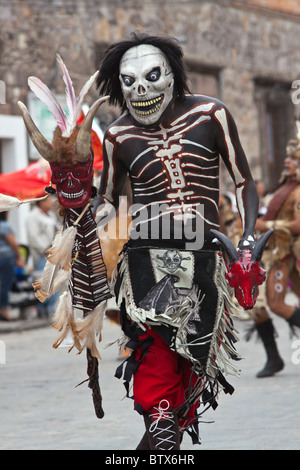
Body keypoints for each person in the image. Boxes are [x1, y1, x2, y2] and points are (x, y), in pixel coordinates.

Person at [94, 33, 260, 450]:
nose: (141, 90)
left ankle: (161, 435)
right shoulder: (117, 136)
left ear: (171, 75)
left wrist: (247, 239)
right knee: (156, 355)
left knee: (191, 367)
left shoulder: (211, 114)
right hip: (145, 259)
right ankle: (161, 420)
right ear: (118, 85)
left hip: (206, 255)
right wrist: (82, 206)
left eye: (151, 77)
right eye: (129, 82)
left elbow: (243, 181)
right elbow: (106, 200)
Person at [252, 138, 300, 378]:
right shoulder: (284, 187)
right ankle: (273, 358)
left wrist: (266, 224)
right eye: (288, 158)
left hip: (286, 254)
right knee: (256, 306)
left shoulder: (298, 192)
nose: (287, 162)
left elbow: (299, 224)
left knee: (276, 304)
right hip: (269, 253)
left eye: (293, 159)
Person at [26, 195, 60, 317]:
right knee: (44, 282)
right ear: (41, 202)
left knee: (55, 281)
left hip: (54, 253)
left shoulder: (50, 216)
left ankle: (50, 308)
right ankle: (42, 308)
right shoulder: (33, 216)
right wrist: (46, 249)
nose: (51, 202)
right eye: (48, 199)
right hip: (42, 255)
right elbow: (33, 237)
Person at [0, 212, 25, 320]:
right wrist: (19, 256)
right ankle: (4, 311)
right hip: (6, 258)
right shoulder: (4, 226)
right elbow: (13, 243)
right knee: (5, 285)